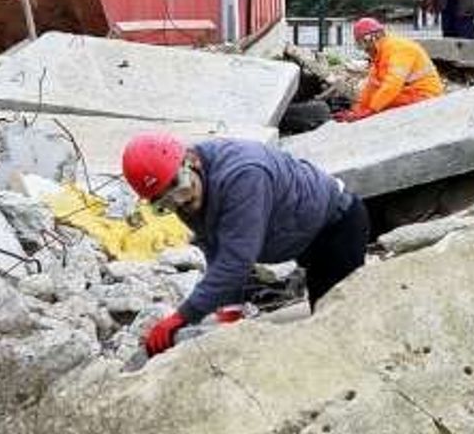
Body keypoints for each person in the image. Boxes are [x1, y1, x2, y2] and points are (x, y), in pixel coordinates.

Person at [122, 133, 369, 357]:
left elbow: (235, 261)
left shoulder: (244, 175)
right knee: (325, 326)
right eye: (165, 203)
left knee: (339, 329)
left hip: (337, 228)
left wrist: (182, 316)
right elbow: (216, 250)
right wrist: (231, 312)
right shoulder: (186, 190)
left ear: (191, 161)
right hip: (305, 239)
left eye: (180, 188)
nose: (182, 202)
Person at [334, 18, 444, 122]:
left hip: (425, 96)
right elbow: (372, 87)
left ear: (372, 39)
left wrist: (371, 110)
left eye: (363, 44)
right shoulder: (381, 53)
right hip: (411, 92)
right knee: (380, 100)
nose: (365, 50)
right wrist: (357, 110)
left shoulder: (399, 49)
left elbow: (392, 85)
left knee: (383, 103)